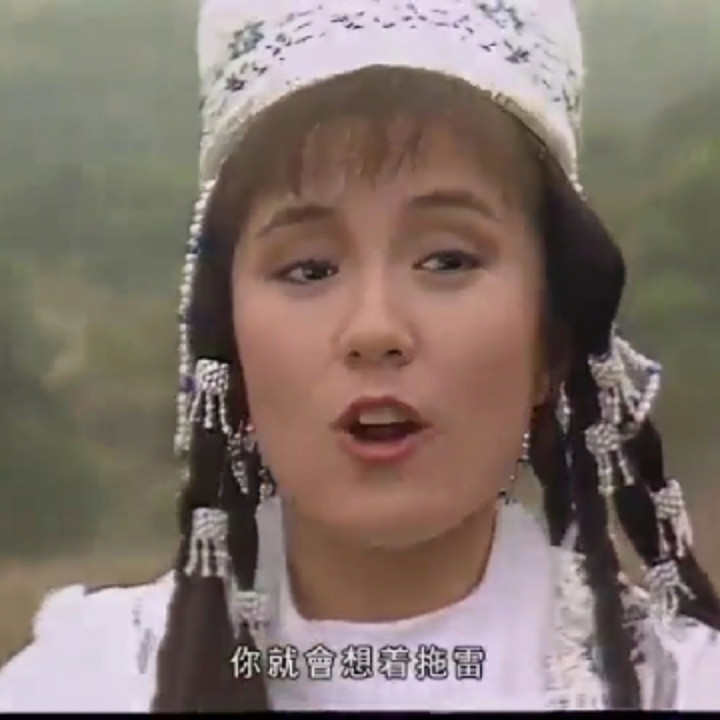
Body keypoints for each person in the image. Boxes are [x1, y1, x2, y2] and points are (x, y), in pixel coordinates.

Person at [0, 0, 719, 712]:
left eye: (447, 260)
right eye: (309, 269)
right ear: (231, 343)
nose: (375, 329)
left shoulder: (682, 688)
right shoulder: (85, 686)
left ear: (552, 339)